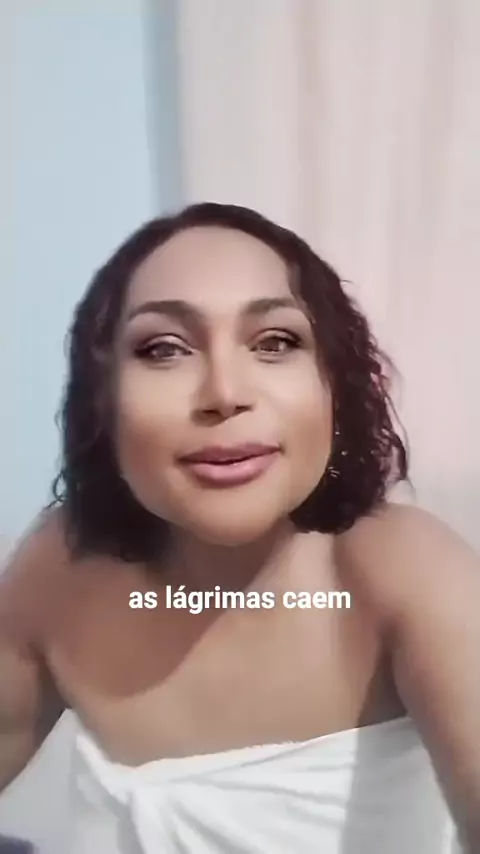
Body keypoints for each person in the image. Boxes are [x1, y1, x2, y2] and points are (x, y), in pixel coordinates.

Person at [0, 203, 479, 853]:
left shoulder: (409, 571)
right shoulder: (60, 567)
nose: (225, 392)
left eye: (275, 342)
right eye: (163, 349)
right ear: (103, 401)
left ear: (334, 386)